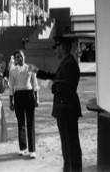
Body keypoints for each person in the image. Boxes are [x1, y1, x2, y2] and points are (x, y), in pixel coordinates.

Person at [29, 36, 82, 171]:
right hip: (65, 109)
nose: (55, 51)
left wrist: (51, 86)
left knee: (71, 146)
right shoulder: (66, 62)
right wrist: (38, 71)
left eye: (56, 48)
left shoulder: (68, 63)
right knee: (67, 146)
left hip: (67, 110)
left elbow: (69, 88)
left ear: (63, 47)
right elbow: (56, 76)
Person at [8, 50, 40, 159]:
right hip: (18, 96)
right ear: (15, 59)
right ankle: (22, 147)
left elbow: (35, 84)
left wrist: (37, 99)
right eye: (17, 57)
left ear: (24, 57)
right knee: (21, 122)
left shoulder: (30, 68)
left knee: (30, 122)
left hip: (29, 95)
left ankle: (32, 150)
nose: (19, 58)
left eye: (21, 56)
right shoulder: (12, 70)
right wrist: (10, 101)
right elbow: (11, 87)